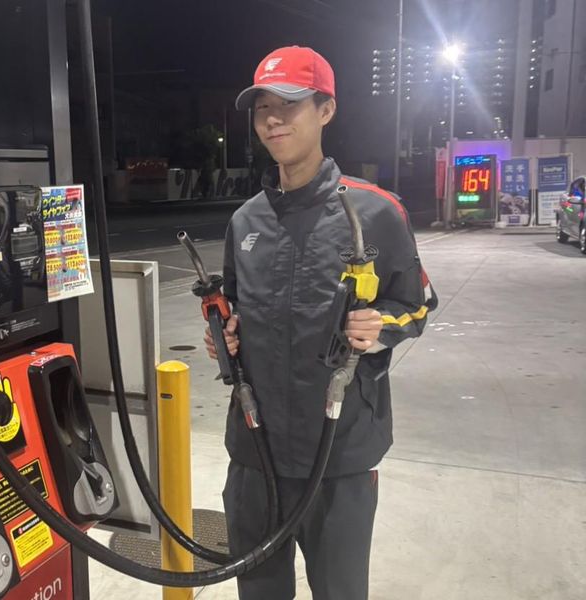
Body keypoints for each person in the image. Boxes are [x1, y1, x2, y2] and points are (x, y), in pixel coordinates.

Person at [204, 46, 438, 600]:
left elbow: (419, 305)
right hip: (256, 453)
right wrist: (226, 335)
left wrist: (381, 325)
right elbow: (232, 307)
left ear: (326, 110)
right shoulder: (246, 221)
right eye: (263, 108)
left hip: (339, 453)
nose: (273, 120)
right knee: (259, 592)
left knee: (339, 591)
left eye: (289, 104)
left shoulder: (376, 211)